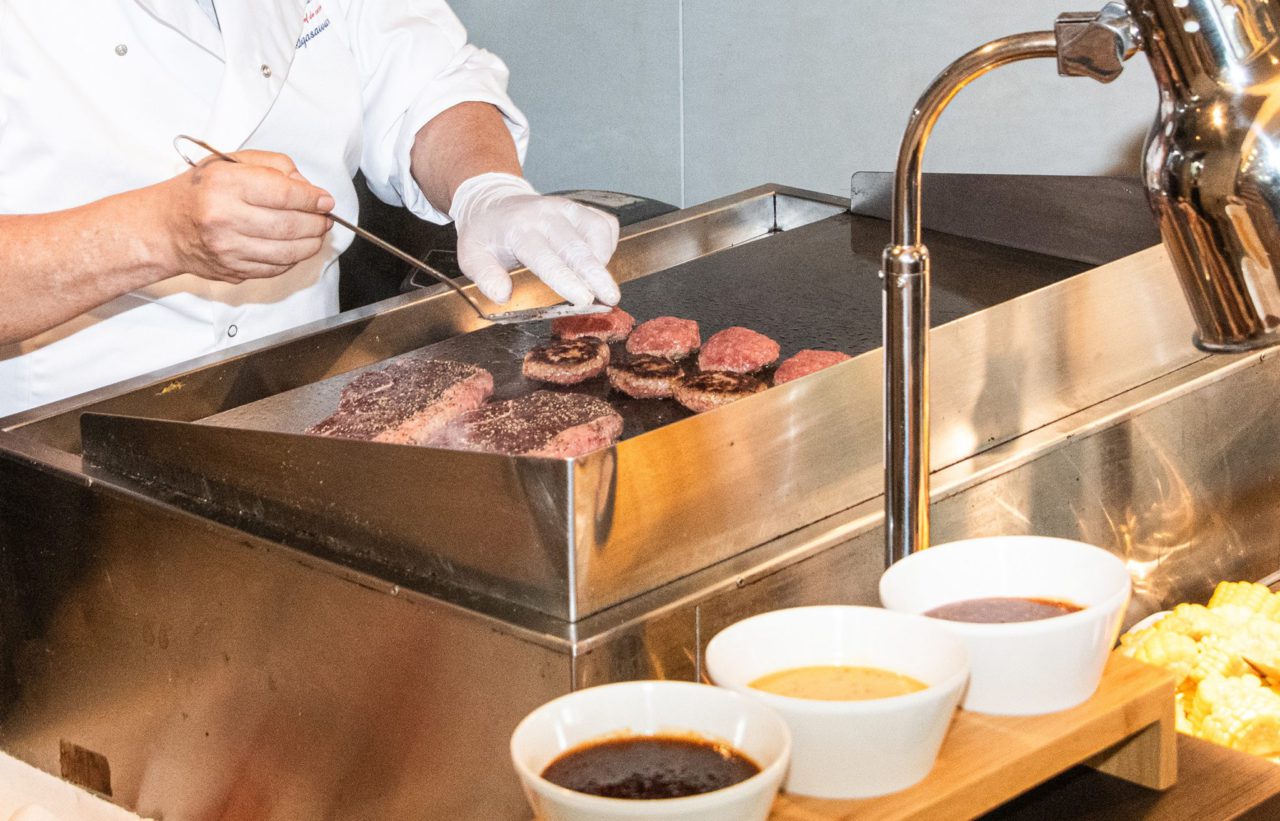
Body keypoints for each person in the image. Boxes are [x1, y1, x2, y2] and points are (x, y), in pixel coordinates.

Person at [0, 0, 622, 418]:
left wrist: (485, 188)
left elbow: (425, 80)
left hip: (302, 395)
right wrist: (155, 235)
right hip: (61, 430)